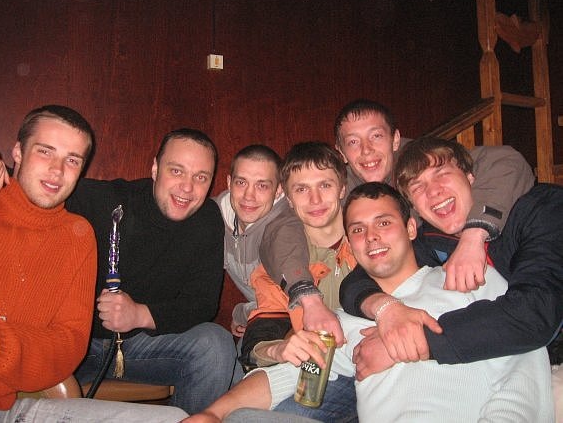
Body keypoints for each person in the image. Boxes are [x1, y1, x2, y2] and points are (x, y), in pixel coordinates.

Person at [185, 182, 553, 422]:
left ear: (411, 228)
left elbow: (523, 369)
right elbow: (290, 375)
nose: (371, 237)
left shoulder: (467, 280)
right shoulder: (346, 320)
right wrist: (213, 412)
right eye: (358, 229)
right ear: (350, 242)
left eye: (384, 223)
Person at [0, 109, 187, 422]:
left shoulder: (76, 235)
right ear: (17, 152)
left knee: (176, 418)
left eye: (72, 160)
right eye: (45, 152)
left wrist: (1, 343)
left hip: (4, 411)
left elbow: (68, 345)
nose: (57, 171)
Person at [260, 98, 535, 347]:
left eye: (376, 136)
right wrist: (308, 296)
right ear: (341, 152)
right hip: (395, 294)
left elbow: (506, 161)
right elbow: (281, 227)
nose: (367, 151)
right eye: (353, 142)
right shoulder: (340, 185)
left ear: (395, 139)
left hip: (475, 282)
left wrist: (474, 234)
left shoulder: (421, 160)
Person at [340, 137, 563, 379]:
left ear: (470, 177)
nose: (433, 191)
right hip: (506, 361)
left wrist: (414, 342)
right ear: (415, 207)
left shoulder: (544, 209)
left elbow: (536, 312)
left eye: (442, 174)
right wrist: (386, 309)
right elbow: (359, 280)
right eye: (417, 187)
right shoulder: (433, 237)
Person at [66, 127, 238, 414]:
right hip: (76, 346)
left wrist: (139, 315)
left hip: (143, 349)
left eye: (200, 177)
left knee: (217, 346)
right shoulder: (112, 201)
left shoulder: (207, 218)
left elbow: (202, 304)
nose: (187, 187)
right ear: (155, 168)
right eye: (177, 171)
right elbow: (34, 185)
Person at [238, 142, 358, 421]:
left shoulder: (370, 241)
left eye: (325, 185)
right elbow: (259, 337)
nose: (315, 199)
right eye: (302, 189)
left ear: (342, 188)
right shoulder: (277, 267)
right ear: (288, 199)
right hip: (322, 378)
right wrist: (279, 348)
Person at [213, 145, 287, 338]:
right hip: (262, 321)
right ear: (229, 182)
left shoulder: (286, 227)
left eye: (262, 185)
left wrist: (242, 313)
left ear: (278, 190)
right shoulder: (212, 218)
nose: (249, 196)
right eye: (241, 182)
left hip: (302, 318)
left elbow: (284, 303)